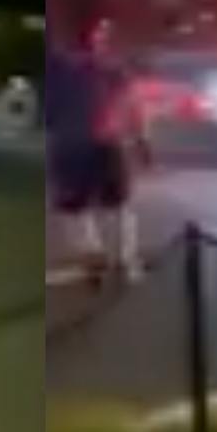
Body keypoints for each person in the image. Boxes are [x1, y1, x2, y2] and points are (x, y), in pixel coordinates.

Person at [46, 14, 149, 280]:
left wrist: (139, 138)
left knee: (107, 204)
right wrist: (139, 139)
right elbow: (132, 106)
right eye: (102, 36)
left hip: (91, 142)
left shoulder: (104, 71)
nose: (105, 43)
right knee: (79, 205)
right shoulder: (80, 68)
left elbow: (131, 105)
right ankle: (99, 254)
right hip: (81, 143)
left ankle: (116, 256)